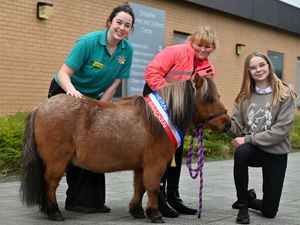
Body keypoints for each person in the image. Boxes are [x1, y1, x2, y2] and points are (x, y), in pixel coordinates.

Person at [47, 4, 135, 213]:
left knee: (94, 145)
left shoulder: (127, 50)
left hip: (92, 99)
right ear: (110, 22)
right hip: (65, 92)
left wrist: (102, 106)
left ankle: (90, 202)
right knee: (72, 146)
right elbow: (63, 73)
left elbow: (115, 82)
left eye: (127, 25)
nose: (122, 28)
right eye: (119, 22)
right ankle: (69, 199)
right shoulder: (88, 42)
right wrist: (73, 93)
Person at [143, 25, 217, 218]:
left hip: (180, 111)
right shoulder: (174, 52)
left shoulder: (208, 68)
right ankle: (158, 198)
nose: (203, 50)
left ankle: (173, 196)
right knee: (162, 152)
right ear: (192, 42)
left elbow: (202, 97)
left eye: (208, 47)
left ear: (212, 48)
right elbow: (152, 72)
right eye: (200, 45)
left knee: (176, 151)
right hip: (157, 100)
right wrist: (170, 95)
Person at [227, 52, 298, 224]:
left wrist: (248, 139)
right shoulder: (244, 97)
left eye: (262, 65)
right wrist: (222, 123)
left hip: (275, 152)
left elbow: (280, 131)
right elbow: (237, 129)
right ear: (248, 72)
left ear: (269, 66)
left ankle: (248, 198)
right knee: (242, 153)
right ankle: (243, 206)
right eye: (253, 67)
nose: (258, 70)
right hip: (254, 151)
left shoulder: (285, 94)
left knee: (269, 211)